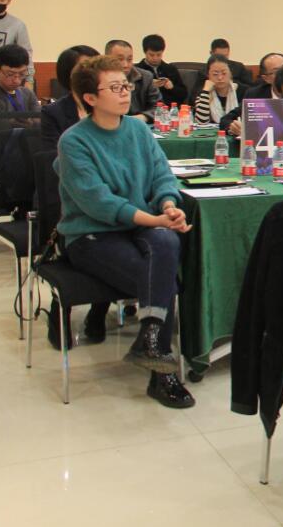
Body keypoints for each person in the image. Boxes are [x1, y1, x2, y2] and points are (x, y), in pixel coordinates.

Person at [56, 54, 194, 408]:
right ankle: (162, 372)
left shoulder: (138, 130)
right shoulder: (74, 142)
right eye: (115, 87)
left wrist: (168, 205)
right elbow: (99, 203)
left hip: (139, 224)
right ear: (91, 97)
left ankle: (151, 345)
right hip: (92, 234)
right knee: (162, 278)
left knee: (166, 243)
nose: (125, 92)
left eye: (126, 85)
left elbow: (162, 175)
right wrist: (156, 220)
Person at [41, 45, 106, 349]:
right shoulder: (55, 113)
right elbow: (53, 161)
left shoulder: (107, 110)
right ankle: (60, 312)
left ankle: (99, 310)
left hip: (104, 195)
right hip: (65, 195)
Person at [42, 45, 99, 149]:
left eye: (95, 68)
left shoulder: (110, 104)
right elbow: (50, 153)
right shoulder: (53, 112)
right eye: (84, 68)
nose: (92, 74)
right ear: (68, 74)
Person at [220, 53, 283, 136]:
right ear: (266, 78)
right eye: (277, 71)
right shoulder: (255, 95)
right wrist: (233, 127)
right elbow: (225, 120)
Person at [104, 39, 161, 121]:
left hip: (140, 123)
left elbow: (159, 107)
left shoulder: (145, 77)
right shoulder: (99, 79)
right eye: (120, 59)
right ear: (106, 59)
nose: (125, 65)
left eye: (129, 59)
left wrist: (143, 117)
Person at [135, 34, 188, 106]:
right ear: (145, 52)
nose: (155, 58)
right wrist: (148, 85)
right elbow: (133, 96)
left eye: (159, 54)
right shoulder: (137, 70)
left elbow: (184, 94)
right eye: (151, 55)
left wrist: (172, 88)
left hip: (169, 108)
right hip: (147, 108)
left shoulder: (170, 69)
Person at [193, 54, 240, 125]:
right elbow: (201, 121)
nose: (220, 78)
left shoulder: (242, 91)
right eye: (215, 74)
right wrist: (206, 91)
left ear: (230, 73)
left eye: (224, 73)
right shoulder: (203, 93)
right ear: (208, 75)